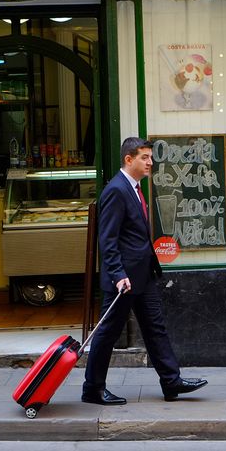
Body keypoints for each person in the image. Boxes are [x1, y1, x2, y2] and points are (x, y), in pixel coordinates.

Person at [81, 137, 207, 405]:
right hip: (124, 280)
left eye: (151, 157)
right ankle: (92, 388)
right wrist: (117, 275)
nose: (151, 162)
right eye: (145, 158)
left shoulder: (135, 188)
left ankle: (171, 382)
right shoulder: (116, 190)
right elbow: (108, 239)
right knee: (107, 333)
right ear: (129, 159)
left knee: (155, 328)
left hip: (142, 275)